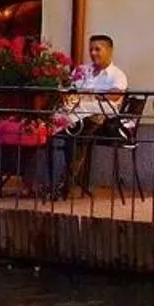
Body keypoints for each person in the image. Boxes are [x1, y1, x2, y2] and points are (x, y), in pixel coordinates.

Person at [57, 35, 130, 193]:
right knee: (73, 133)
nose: (93, 53)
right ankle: (65, 182)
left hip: (104, 121)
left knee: (77, 133)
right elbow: (71, 90)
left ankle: (65, 183)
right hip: (78, 115)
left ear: (109, 51)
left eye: (98, 49)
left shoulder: (117, 75)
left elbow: (116, 95)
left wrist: (94, 94)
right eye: (91, 49)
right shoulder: (83, 70)